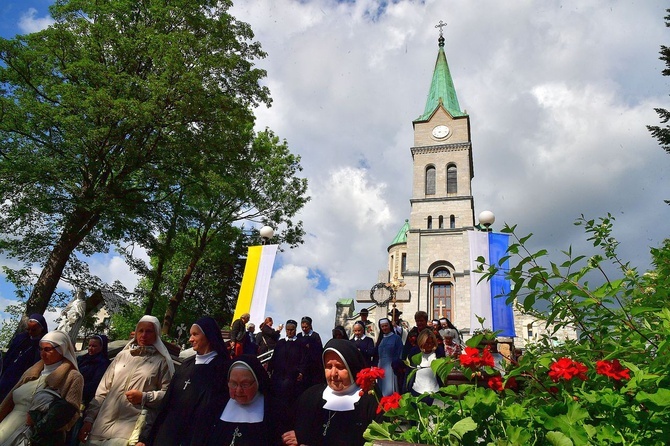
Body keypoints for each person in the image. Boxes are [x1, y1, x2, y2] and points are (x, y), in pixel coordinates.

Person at [78, 315, 174, 445]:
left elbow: (168, 394)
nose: (144, 335)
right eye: (140, 330)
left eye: (149, 331)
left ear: (156, 334)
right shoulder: (122, 356)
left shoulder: (161, 362)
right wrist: (89, 419)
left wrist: (145, 397)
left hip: (129, 431)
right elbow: (102, 390)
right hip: (100, 427)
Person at [142, 317, 228, 446]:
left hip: (193, 437)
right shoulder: (186, 364)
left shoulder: (222, 368)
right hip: (166, 435)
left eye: (195, 334)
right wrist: (147, 437)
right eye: (190, 334)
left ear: (208, 335)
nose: (190, 339)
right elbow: (166, 402)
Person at [282, 339, 381, 446]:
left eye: (340, 367)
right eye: (329, 367)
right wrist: (299, 436)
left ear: (352, 367)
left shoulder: (370, 399)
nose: (333, 374)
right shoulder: (310, 395)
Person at [0, 330, 84, 446]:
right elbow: (9, 401)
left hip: (35, 437)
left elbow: (72, 415)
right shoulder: (32, 371)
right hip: (7, 426)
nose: (43, 353)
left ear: (62, 349)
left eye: (48, 349)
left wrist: (40, 423)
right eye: (41, 349)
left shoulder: (73, 377)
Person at [191, 355, 274, 445]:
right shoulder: (214, 408)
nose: (238, 390)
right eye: (233, 384)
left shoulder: (274, 411)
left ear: (257, 382)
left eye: (245, 384)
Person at [68, 335, 111, 445]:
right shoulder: (82, 359)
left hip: (85, 403)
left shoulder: (103, 364)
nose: (91, 348)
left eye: (94, 346)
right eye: (89, 345)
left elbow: (96, 384)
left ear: (101, 347)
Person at [267, 320, 305, 441]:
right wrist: (270, 368)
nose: (289, 332)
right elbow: (274, 357)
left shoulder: (300, 344)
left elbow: (303, 360)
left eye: (291, 329)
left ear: (295, 330)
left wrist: (301, 372)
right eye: (287, 329)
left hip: (291, 380)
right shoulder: (281, 343)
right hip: (278, 378)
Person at [0, 314, 48, 402]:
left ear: (41, 328)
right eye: (28, 329)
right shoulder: (21, 338)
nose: (30, 332)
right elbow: (10, 355)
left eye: (33, 330)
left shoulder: (43, 344)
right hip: (8, 373)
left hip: (22, 377)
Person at [409, 329, 441, 400]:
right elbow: (410, 370)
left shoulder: (438, 352)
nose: (429, 345)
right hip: (417, 390)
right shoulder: (415, 352)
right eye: (426, 343)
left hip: (434, 391)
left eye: (431, 342)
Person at [375, 318, 403, 396]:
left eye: (386, 326)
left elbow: (400, 352)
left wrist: (397, 364)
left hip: (391, 367)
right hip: (380, 367)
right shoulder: (380, 339)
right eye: (382, 326)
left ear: (389, 325)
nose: (384, 328)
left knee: (390, 390)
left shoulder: (396, 338)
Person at [296, 316, 324, 388]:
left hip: (312, 368)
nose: (304, 329)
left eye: (306, 327)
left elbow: (319, 351)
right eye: (303, 327)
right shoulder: (299, 336)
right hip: (301, 366)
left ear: (310, 326)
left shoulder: (315, 336)